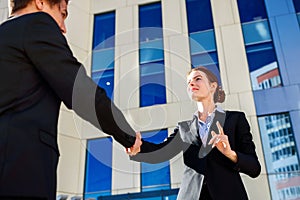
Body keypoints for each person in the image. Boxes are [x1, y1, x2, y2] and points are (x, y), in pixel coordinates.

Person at [0, 0, 141, 199]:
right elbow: (79, 91)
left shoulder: (6, 35)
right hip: (19, 169)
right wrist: (126, 134)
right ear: (40, 2)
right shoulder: (36, 24)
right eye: (63, 13)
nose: (63, 28)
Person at [129, 66, 261, 200]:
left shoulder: (235, 119)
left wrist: (230, 154)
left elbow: (254, 168)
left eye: (198, 79)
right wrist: (138, 148)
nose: (191, 83)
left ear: (212, 86)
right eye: (189, 82)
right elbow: (160, 151)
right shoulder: (184, 128)